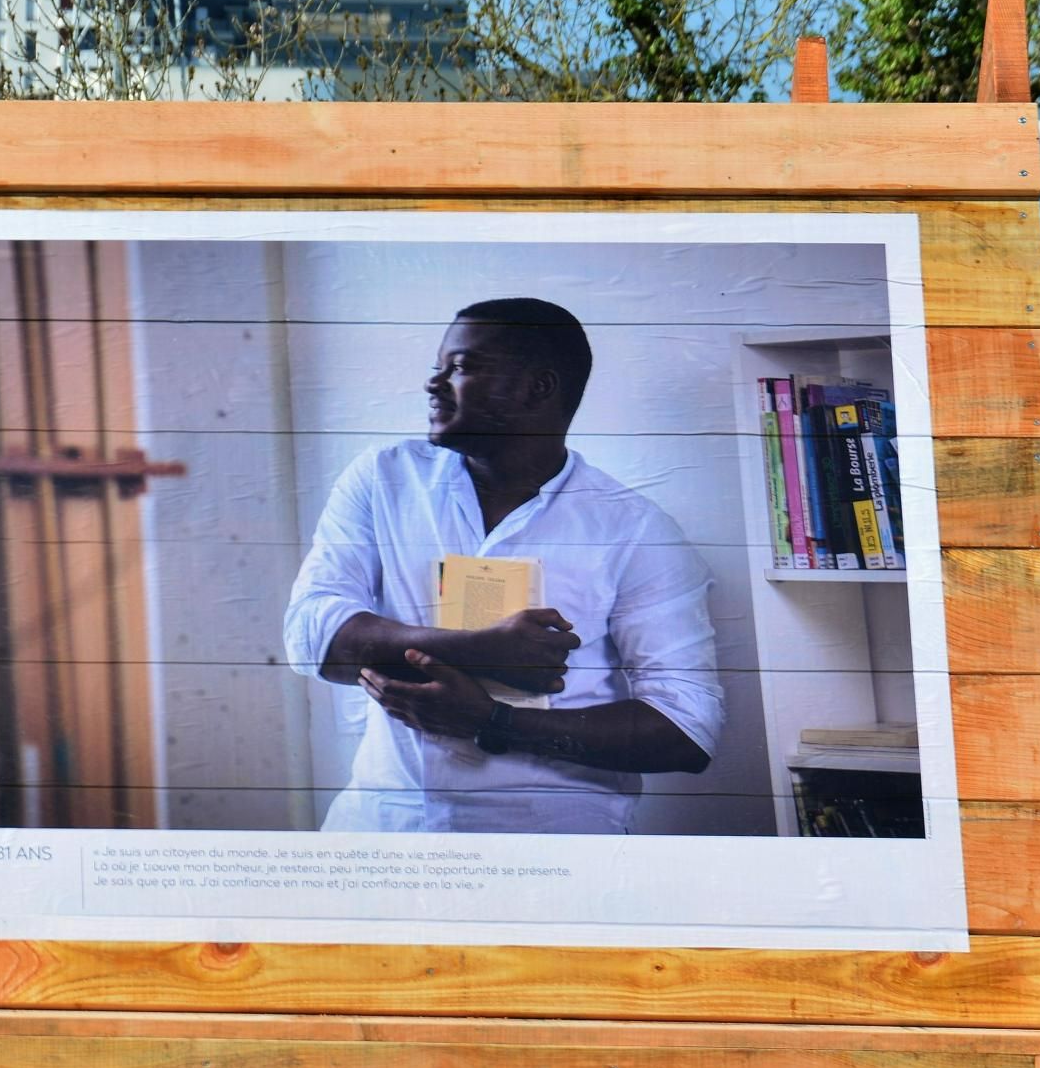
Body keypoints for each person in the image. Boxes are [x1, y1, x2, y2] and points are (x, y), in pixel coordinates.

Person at [281, 297, 725, 834]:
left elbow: (687, 730)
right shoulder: (382, 479)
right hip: (379, 837)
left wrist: (496, 722)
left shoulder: (637, 532)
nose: (434, 384)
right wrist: (483, 650)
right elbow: (310, 638)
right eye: (437, 368)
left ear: (538, 387)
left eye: (462, 367)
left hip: (551, 853)